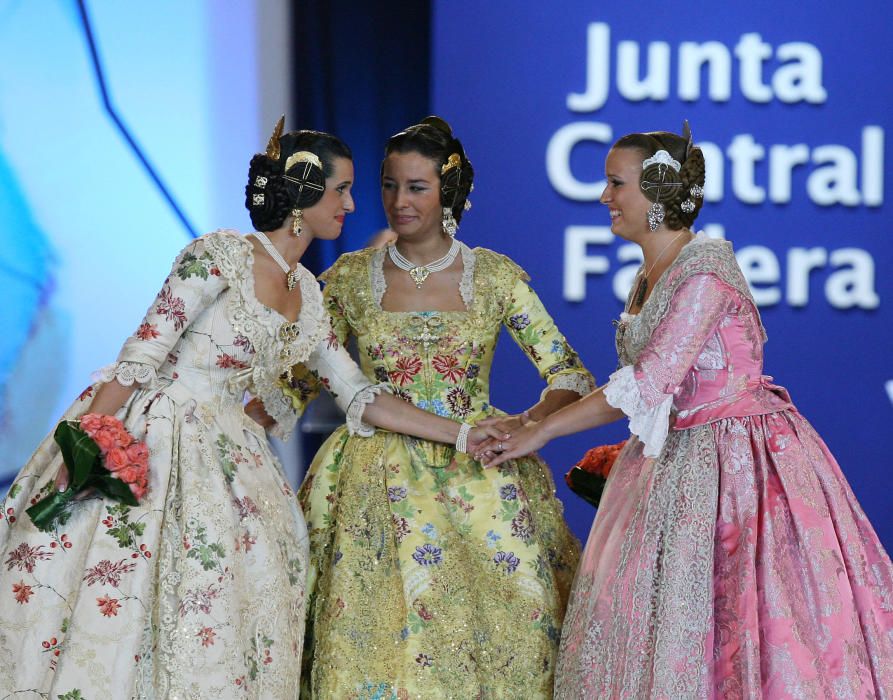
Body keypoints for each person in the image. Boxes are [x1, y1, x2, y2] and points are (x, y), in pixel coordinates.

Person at [0, 120, 500, 699]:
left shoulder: (309, 294)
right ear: (304, 194)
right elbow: (141, 354)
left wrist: (463, 434)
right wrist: (87, 443)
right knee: (118, 596)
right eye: (341, 190)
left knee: (234, 604)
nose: (354, 204)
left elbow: (361, 395)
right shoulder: (220, 255)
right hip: (157, 433)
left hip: (233, 457)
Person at [483, 123, 893, 697]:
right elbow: (646, 389)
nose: (604, 197)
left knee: (740, 615)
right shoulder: (656, 271)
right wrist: (531, 421)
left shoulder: (703, 272)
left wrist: (541, 433)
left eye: (614, 184)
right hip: (679, 456)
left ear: (655, 193)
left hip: (737, 462)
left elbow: (648, 382)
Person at [290, 116, 593, 698]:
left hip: (481, 472)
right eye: (388, 185)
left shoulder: (496, 276)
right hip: (370, 480)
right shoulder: (349, 277)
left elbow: (568, 373)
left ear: (447, 191)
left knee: (513, 639)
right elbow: (301, 379)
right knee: (377, 643)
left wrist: (525, 424)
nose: (398, 201)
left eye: (416, 187)